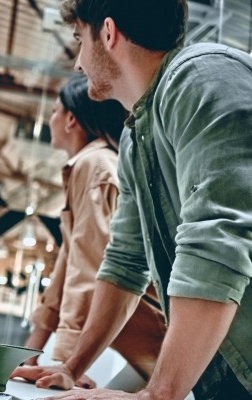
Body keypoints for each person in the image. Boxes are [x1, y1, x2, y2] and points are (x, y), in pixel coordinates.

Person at [11, 0, 252, 399]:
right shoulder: (135, 137)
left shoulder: (204, 77)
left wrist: (156, 395)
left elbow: (218, 239)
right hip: (228, 373)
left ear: (108, 33)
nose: (78, 63)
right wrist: (71, 368)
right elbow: (126, 261)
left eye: (80, 41)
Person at [22, 75, 165, 389]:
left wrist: (67, 362)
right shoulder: (86, 166)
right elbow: (66, 264)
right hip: (137, 343)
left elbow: (89, 267)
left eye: (55, 110)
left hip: (153, 340)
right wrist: (30, 351)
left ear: (72, 119)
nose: (51, 118)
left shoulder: (95, 166)